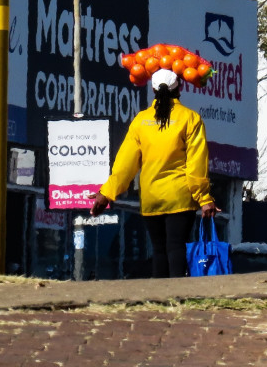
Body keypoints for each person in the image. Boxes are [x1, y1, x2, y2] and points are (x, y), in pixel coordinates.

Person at [90, 68, 218, 278]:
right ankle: (177, 299)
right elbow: (196, 164)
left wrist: (107, 193)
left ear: (153, 89)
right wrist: (204, 198)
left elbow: (125, 163)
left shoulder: (141, 120)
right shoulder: (190, 118)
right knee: (176, 248)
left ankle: (159, 300)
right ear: (180, 88)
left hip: (151, 198)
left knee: (159, 251)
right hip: (180, 197)